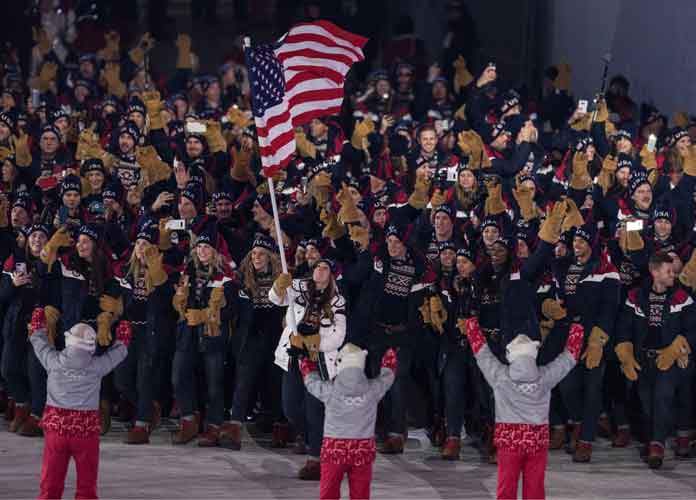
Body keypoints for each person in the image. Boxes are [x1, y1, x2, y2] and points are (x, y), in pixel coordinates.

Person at [464, 316, 583, 500]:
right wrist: (577, 327)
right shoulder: (545, 377)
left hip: (509, 442)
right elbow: (568, 359)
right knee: (535, 489)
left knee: (506, 487)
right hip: (537, 441)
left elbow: (482, 353)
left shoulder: (500, 376)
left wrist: (471, 324)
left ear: (510, 355)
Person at [29, 308, 130, 500]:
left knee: (51, 481)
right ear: (91, 347)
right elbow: (118, 354)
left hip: (56, 430)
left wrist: (38, 327)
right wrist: (122, 338)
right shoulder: (96, 367)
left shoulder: (53, 361)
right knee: (87, 483)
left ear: (68, 341)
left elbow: (38, 343)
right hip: (85, 432)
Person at [269, 258, 347, 480]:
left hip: (318, 362)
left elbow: (338, 336)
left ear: (331, 275)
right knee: (290, 406)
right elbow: (275, 299)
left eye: (325, 268)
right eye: (317, 267)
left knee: (315, 410)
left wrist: (314, 344)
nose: (320, 271)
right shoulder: (298, 288)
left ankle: (316, 458)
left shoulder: (337, 301)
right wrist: (279, 285)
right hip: (293, 357)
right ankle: (314, 438)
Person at [301, 343, 396, 500]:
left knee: (329, 491)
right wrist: (389, 360)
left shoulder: (330, 390)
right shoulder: (372, 390)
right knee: (360, 493)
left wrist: (306, 363)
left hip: (334, 449)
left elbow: (311, 382)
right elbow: (387, 378)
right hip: (362, 449)